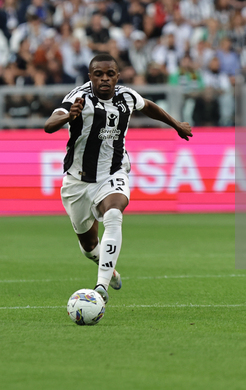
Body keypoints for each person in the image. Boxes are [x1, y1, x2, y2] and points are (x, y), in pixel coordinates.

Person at [43, 54, 193, 303]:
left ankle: (100, 287)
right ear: (90, 77)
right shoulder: (77, 99)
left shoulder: (126, 96)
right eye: (98, 74)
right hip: (77, 181)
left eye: (109, 74)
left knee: (114, 214)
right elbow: (49, 124)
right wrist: (69, 117)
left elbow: (148, 106)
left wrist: (176, 124)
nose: (104, 79)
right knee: (89, 246)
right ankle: (107, 267)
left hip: (113, 172)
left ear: (117, 76)